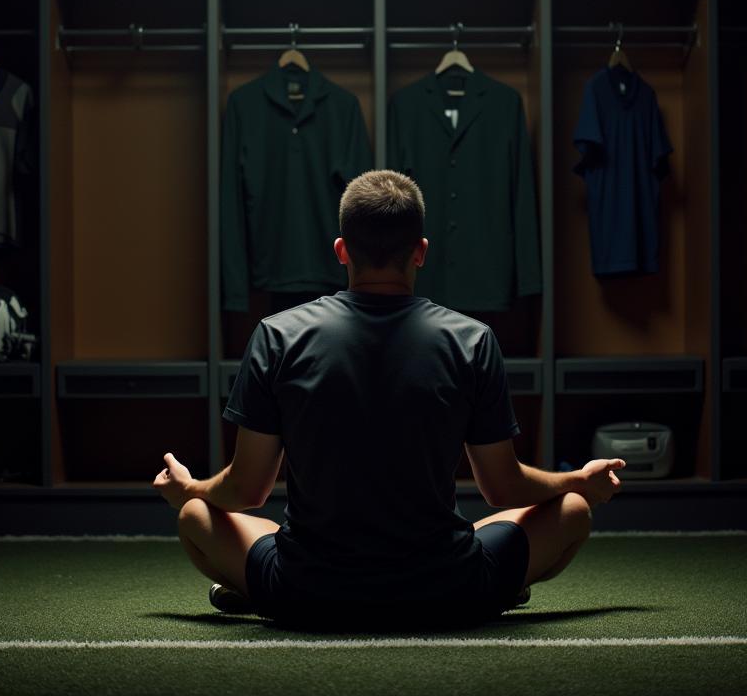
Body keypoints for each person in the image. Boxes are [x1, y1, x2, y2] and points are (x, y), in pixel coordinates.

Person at [153, 169, 625, 627]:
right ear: (420, 252)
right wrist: (576, 481)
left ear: (342, 251)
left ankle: (254, 591)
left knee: (196, 516)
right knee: (573, 511)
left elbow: (246, 491)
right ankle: (498, 590)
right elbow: (503, 489)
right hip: (447, 587)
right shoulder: (472, 340)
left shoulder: (278, 335)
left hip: (308, 591)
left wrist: (188, 489)